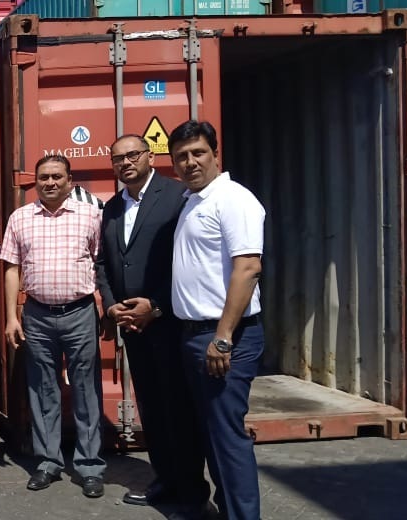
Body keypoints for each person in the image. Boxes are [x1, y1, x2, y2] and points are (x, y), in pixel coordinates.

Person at [94, 135, 210, 516]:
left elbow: (188, 259)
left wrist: (156, 305)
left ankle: (192, 494)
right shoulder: (113, 207)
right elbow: (104, 263)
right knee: (152, 409)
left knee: (180, 410)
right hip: (133, 326)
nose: (125, 163)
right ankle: (165, 480)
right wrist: (111, 305)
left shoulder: (177, 197)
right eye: (118, 158)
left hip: (171, 323)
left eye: (132, 155)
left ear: (150, 157)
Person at [169, 120, 265, 520]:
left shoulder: (234, 199)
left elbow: (248, 267)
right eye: (181, 156)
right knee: (211, 435)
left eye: (198, 153)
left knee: (227, 439)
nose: (190, 162)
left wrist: (223, 337)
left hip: (225, 337)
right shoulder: (193, 201)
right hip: (195, 335)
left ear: (215, 154)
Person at [0, 154, 105, 498]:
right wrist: (12, 317)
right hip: (38, 315)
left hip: (80, 313)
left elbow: (101, 263)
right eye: (44, 177)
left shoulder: (90, 215)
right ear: (36, 182)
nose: (50, 182)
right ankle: (48, 462)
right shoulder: (20, 217)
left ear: (70, 181)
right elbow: (11, 268)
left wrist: (104, 307)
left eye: (57, 176)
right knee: (43, 388)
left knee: (86, 389)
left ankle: (90, 466)